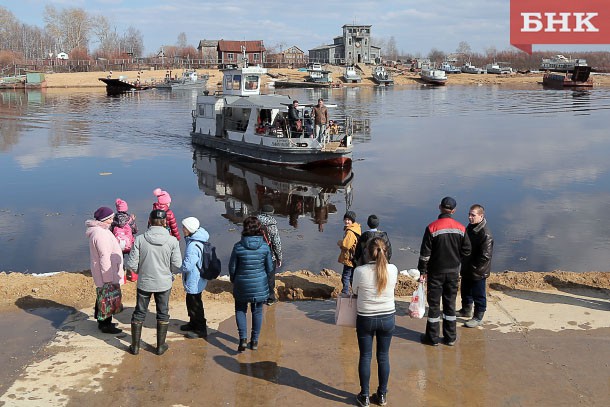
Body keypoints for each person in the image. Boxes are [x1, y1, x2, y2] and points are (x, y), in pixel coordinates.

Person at [126, 209, 182, 356]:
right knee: (163, 313)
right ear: (165, 222)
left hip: (144, 282)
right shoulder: (172, 241)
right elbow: (177, 263)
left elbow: (131, 265)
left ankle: (135, 346)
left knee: (139, 313)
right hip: (164, 283)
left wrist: (141, 271)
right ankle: (160, 346)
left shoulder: (140, 239)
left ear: (149, 221)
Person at [417, 197, 471, 347]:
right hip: (453, 272)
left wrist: (422, 271)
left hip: (435, 273)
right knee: (450, 304)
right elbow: (467, 251)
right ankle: (450, 338)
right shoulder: (461, 228)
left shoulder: (432, 228)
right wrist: (456, 259)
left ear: (439, 207)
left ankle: (432, 338)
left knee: (434, 305)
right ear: (454, 211)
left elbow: (425, 254)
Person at [352, 238, 398, 407]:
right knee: (383, 357)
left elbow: (354, 290)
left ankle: (364, 396)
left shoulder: (360, 271)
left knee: (365, 356)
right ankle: (382, 395)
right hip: (387, 317)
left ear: (367, 252)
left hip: (366, 317)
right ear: (386, 252)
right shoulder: (392, 269)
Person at [229, 216, 274, 352]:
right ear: (259, 229)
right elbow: (270, 268)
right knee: (257, 311)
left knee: (240, 310)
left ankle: (243, 339)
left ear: (245, 229)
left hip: (242, 283)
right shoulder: (265, 247)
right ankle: (254, 341)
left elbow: (232, 267)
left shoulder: (238, 247)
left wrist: (234, 279)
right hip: (260, 284)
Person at [85, 206, 125, 334]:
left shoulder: (101, 230)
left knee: (102, 296)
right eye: (110, 218)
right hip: (107, 271)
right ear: (104, 219)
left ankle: (101, 320)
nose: (113, 220)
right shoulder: (100, 234)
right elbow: (104, 256)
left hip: (105, 270)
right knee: (107, 297)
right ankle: (106, 325)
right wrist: (108, 277)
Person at [458, 204, 493, 328]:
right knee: (465, 290)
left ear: (481, 216)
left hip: (478, 271)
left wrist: (474, 267)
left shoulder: (485, 234)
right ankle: (466, 309)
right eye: (469, 214)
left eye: (473, 215)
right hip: (467, 266)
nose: (469, 217)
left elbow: (485, 256)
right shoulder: (471, 227)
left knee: (479, 294)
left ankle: (478, 317)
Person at [180, 216, 210, 339]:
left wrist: (179, 266)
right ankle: (193, 323)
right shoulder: (198, 239)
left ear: (189, 229)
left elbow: (188, 266)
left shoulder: (193, 245)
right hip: (198, 278)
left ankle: (200, 328)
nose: (182, 229)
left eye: (184, 227)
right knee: (191, 301)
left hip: (194, 278)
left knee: (195, 303)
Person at [257, 204, 283, 305]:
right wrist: (279, 257)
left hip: (255, 255)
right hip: (269, 255)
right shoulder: (272, 226)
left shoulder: (253, 222)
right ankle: (270, 298)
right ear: (271, 214)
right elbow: (276, 243)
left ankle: (257, 296)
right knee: (270, 277)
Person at [337, 211, 361, 295]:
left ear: (352, 221)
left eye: (349, 220)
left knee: (345, 276)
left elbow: (346, 245)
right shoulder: (356, 228)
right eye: (346, 219)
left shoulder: (350, 232)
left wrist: (340, 242)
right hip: (354, 257)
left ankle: (345, 293)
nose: (347, 221)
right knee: (352, 276)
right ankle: (355, 292)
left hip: (349, 258)